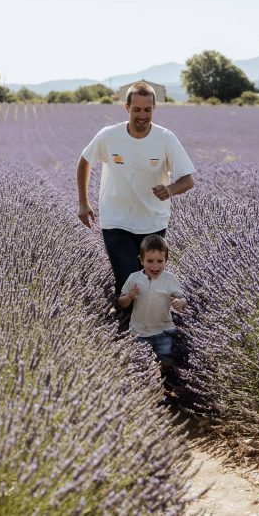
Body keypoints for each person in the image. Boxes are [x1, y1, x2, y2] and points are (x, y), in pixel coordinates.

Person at [76, 81, 195, 328]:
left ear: (155, 108)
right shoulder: (109, 136)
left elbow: (188, 179)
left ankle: (154, 336)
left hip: (152, 222)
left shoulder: (165, 139)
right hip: (116, 221)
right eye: (137, 110)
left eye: (148, 110)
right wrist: (83, 203)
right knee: (128, 283)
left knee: (150, 283)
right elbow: (84, 161)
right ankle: (132, 338)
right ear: (126, 108)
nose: (142, 116)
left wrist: (170, 189)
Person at [117, 234, 186, 368]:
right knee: (141, 364)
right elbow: (121, 302)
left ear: (166, 261)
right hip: (139, 332)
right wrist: (129, 297)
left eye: (160, 261)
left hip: (164, 330)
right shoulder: (134, 278)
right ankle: (148, 384)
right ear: (141, 260)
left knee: (166, 361)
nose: (155, 266)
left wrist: (180, 302)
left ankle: (166, 381)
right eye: (150, 261)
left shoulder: (169, 278)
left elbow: (182, 299)